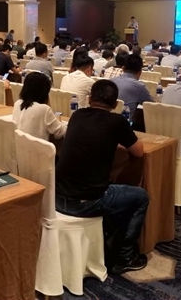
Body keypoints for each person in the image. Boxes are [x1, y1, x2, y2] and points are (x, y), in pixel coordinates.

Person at [55, 80, 148, 274]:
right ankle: (125, 256)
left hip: (57, 197)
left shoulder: (77, 115)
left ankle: (108, 238)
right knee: (140, 197)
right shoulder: (117, 122)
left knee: (110, 185)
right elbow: (138, 151)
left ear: (90, 99)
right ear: (115, 104)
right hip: (86, 202)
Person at [12, 72, 66, 141]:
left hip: (18, 145)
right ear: (44, 92)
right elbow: (59, 133)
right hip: (35, 147)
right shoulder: (44, 109)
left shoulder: (17, 103)